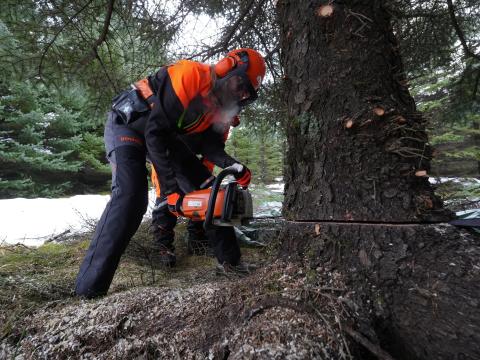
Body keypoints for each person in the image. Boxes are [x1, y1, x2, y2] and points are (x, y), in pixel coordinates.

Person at [75, 48, 266, 298]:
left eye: (246, 93)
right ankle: (88, 288)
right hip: (129, 123)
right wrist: (172, 191)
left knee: (212, 191)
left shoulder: (219, 108)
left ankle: (231, 263)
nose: (239, 94)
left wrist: (234, 165)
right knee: (131, 197)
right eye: (240, 84)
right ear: (227, 67)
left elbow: (209, 147)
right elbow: (154, 134)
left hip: (164, 136)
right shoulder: (190, 76)